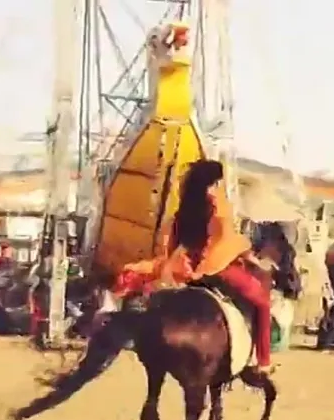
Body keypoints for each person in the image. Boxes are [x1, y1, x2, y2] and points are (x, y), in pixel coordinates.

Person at [117, 159, 274, 374]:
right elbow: (224, 244)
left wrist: (181, 265)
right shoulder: (219, 210)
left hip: (184, 268)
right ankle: (263, 361)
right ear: (213, 182)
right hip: (217, 269)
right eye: (218, 182)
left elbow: (170, 245)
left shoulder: (181, 211)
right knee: (262, 303)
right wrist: (249, 257)